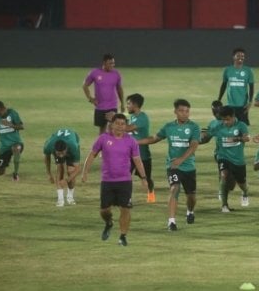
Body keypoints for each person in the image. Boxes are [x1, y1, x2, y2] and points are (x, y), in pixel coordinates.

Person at [79, 114, 147, 246]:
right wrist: (85, 171)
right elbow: (92, 154)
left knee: (125, 209)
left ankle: (123, 236)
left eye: (123, 124)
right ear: (112, 124)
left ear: (126, 126)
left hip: (125, 181)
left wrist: (144, 178)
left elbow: (137, 160)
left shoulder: (131, 141)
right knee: (104, 210)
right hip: (107, 181)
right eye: (118, 123)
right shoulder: (103, 138)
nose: (120, 127)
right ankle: (109, 222)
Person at [138, 99, 200, 231]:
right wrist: (135, 142)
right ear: (175, 112)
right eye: (181, 111)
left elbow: (194, 146)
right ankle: (171, 222)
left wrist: (181, 159)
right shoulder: (169, 127)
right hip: (173, 166)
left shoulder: (194, 127)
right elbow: (154, 138)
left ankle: (190, 211)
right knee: (174, 189)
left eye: (187, 111)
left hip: (189, 167)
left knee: (191, 196)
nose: (185, 113)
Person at [203, 106, 251, 212]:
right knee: (224, 175)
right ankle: (224, 205)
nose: (225, 122)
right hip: (223, 156)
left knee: (241, 183)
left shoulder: (241, 125)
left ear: (233, 117)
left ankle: (245, 192)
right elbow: (206, 136)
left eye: (228, 119)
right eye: (223, 119)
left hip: (238, 159)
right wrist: (196, 140)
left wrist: (236, 138)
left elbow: (247, 138)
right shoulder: (218, 126)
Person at [82, 53, 125, 135]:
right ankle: (103, 146)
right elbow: (85, 86)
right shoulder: (95, 73)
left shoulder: (116, 74)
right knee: (102, 129)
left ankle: (113, 146)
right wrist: (90, 98)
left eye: (113, 63)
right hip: (100, 107)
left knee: (113, 128)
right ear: (104, 63)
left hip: (112, 106)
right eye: (110, 63)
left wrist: (122, 103)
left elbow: (119, 89)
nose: (112, 65)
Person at [125, 93, 155, 203]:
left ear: (136, 105)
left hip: (142, 154)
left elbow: (127, 128)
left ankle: (150, 193)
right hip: (130, 154)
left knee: (147, 178)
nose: (127, 106)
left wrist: (113, 121)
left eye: (129, 103)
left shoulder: (142, 118)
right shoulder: (132, 116)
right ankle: (128, 198)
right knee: (126, 176)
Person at [43, 128, 81, 206]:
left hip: (72, 138)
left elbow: (78, 169)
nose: (60, 155)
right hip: (57, 140)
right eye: (58, 153)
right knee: (60, 168)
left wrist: (67, 180)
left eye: (62, 153)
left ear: (66, 149)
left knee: (71, 170)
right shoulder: (49, 146)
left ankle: (70, 197)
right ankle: (60, 199)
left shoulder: (73, 147)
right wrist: (49, 174)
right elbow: (47, 158)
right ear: (54, 150)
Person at [218, 48, 255, 125]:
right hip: (231, 104)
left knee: (243, 126)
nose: (240, 58)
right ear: (233, 57)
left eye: (242, 56)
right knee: (230, 124)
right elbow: (224, 85)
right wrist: (219, 99)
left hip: (243, 105)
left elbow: (251, 87)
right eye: (238, 55)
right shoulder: (227, 70)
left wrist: (250, 102)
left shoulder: (248, 70)